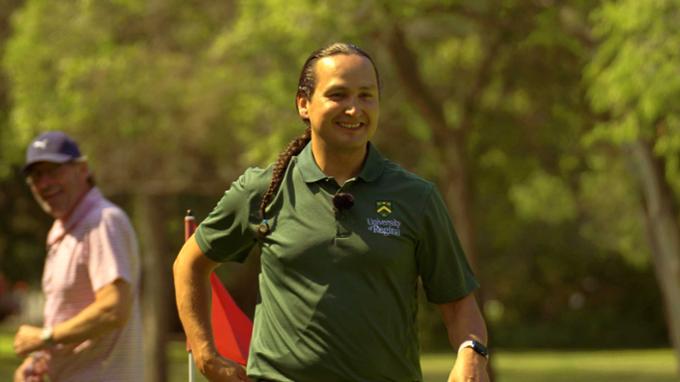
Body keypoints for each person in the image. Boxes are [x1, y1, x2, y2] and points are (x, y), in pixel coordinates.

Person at [174, 42, 489, 382]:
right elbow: (189, 264)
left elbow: (458, 305)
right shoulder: (263, 190)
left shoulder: (415, 197)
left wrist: (472, 354)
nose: (354, 110)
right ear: (303, 104)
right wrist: (206, 356)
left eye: (366, 96)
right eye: (338, 95)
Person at [13, 131, 144, 381]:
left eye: (53, 171)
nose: (44, 183)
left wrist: (44, 337)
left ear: (83, 169)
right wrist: (39, 359)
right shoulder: (65, 230)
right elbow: (71, 315)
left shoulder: (103, 221)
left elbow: (113, 309)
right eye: (36, 176)